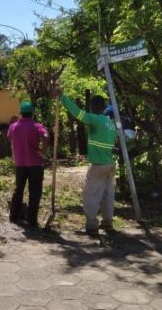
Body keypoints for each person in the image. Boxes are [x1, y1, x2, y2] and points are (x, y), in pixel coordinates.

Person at [58, 90, 117, 236]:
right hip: (110, 164)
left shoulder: (96, 120)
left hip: (98, 165)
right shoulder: (110, 123)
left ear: (92, 107)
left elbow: (78, 113)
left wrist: (62, 97)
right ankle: (107, 223)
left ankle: (91, 224)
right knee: (107, 195)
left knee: (90, 195)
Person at [7, 101, 49, 229]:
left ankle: (13, 217)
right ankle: (32, 220)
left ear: (21, 113)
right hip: (35, 163)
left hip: (19, 163)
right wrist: (42, 150)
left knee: (18, 190)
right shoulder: (36, 126)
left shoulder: (13, 127)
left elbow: (10, 138)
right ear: (32, 113)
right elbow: (46, 136)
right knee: (34, 192)